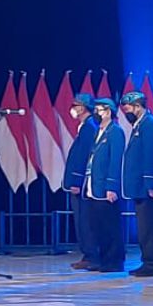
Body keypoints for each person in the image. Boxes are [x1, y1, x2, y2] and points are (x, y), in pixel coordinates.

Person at [120, 92, 153, 278]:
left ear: (138, 106)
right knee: (144, 228)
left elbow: (152, 156)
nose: (126, 113)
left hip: (147, 188)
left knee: (149, 228)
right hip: (139, 187)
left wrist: (150, 183)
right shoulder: (140, 125)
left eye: (128, 109)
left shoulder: (149, 125)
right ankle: (147, 261)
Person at [85, 98, 126, 272]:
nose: (96, 113)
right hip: (93, 185)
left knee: (110, 226)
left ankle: (114, 261)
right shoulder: (99, 132)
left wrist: (111, 186)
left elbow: (115, 160)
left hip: (105, 187)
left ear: (108, 111)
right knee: (98, 226)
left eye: (99, 110)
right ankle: (103, 259)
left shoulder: (115, 131)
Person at [64, 94, 99, 270]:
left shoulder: (89, 127)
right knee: (80, 220)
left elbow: (84, 155)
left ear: (84, 107)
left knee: (84, 220)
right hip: (79, 182)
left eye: (75, 105)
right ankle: (87, 254)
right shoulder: (84, 126)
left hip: (82, 183)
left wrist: (77, 181)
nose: (73, 108)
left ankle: (91, 255)